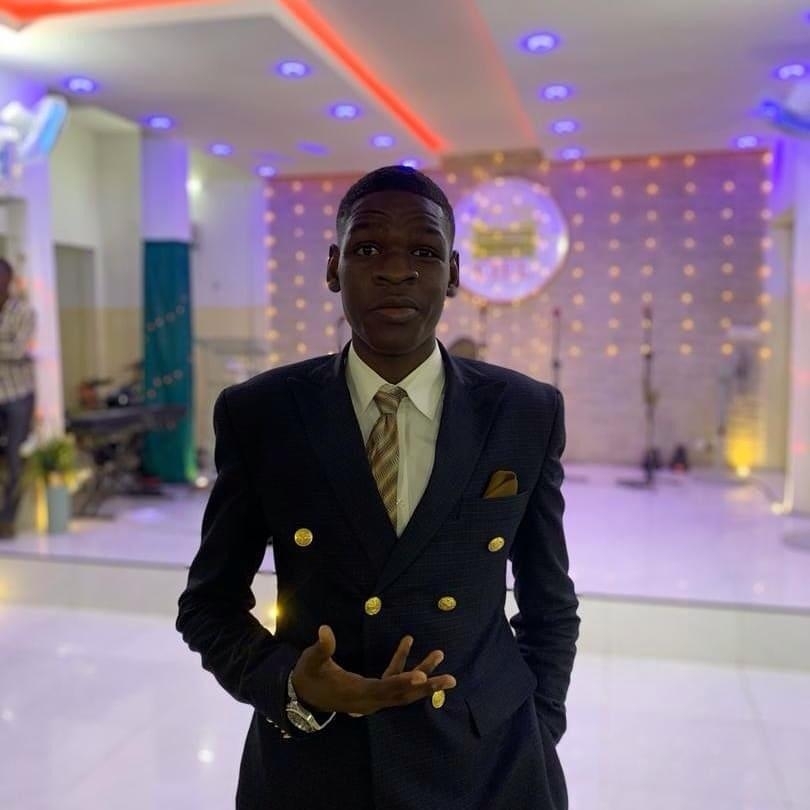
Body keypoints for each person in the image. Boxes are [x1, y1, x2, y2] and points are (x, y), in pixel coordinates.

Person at [177, 166, 580, 810]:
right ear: (333, 268)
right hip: (317, 763)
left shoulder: (524, 412)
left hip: (489, 762)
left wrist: (539, 726)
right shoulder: (264, 413)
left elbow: (549, 602)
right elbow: (208, 604)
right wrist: (292, 686)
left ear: (453, 273)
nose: (396, 271)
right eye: (367, 249)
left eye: (424, 251)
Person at [0, 258, 36, 539]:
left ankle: (8, 518)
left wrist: (10, 346)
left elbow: (18, 350)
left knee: (15, 458)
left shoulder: (24, 311)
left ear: (9, 280)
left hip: (17, 395)